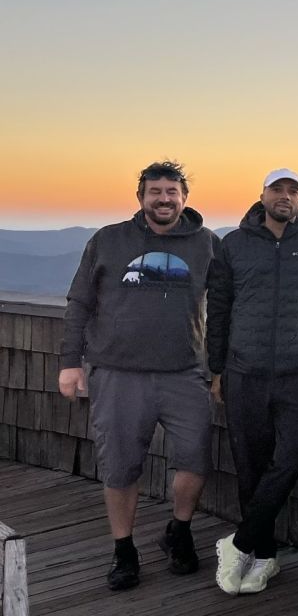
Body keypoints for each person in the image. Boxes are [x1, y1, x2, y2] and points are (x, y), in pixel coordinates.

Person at [57, 160, 222, 591]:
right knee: (120, 466)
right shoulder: (109, 241)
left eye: (172, 192)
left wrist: (220, 366)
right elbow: (78, 302)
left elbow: (227, 308)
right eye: (155, 192)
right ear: (141, 198)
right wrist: (70, 362)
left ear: (184, 198)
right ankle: (124, 550)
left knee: (195, 457)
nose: (164, 199)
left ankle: (179, 532)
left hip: (185, 373)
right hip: (117, 373)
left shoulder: (207, 245)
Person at [206, 167, 298, 595]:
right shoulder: (233, 244)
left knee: (289, 459)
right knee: (250, 468)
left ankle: (239, 541)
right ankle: (263, 558)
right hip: (242, 372)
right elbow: (219, 308)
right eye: (277, 189)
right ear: (262, 195)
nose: (285, 196)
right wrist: (217, 371)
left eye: (294, 191)